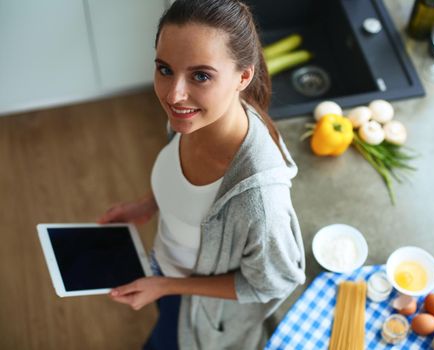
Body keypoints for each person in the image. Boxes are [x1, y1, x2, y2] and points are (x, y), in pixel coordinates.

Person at [97, 0, 306, 349]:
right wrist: (148, 205)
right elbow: (189, 190)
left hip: (197, 310)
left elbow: (273, 283)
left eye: (201, 75)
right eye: (165, 69)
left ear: (244, 76)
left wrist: (169, 287)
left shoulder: (260, 200)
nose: (174, 95)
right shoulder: (191, 118)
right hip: (166, 273)